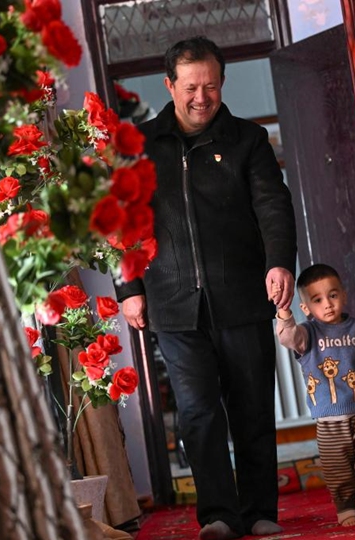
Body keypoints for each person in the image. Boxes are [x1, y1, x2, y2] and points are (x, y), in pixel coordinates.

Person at [115, 36, 297, 540]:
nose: (201, 97)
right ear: (170, 85)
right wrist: (128, 285)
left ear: (221, 84)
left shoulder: (248, 141)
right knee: (197, 413)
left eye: (210, 86)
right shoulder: (140, 147)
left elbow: (273, 208)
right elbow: (124, 221)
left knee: (253, 407)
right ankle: (218, 514)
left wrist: (280, 262)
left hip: (242, 297)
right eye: (191, 86)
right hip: (173, 303)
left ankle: (260, 510)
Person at [273, 263, 355, 527]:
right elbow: (287, 337)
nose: (327, 304)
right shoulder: (307, 334)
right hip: (329, 423)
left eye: (333, 295)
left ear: (344, 295)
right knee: (337, 469)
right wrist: (283, 310)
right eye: (317, 300)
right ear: (306, 309)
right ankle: (346, 507)